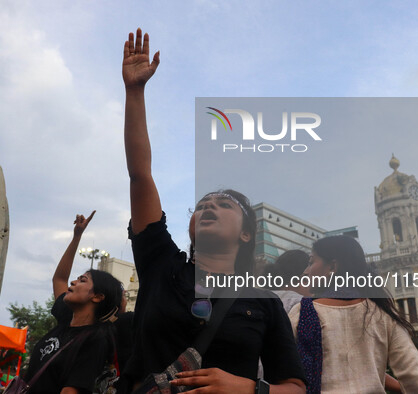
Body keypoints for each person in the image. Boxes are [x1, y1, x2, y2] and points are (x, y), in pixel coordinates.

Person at [121, 28, 307, 393]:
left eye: (224, 205)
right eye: (202, 204)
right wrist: (135, 92)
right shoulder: (162, 267)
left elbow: (296, 387)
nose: (209, 207)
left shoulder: (264, 303)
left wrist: (249, 388)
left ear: (246, 233)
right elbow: (140, 175)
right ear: (190, 227)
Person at [288, 235, 418, 393]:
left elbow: (282, 371)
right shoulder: (383, 313)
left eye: (311, 263)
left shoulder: (302, 312)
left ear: (332, 267)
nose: (306, 271)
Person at [23, 211, 123, 394]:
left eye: (83, 280)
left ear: (98, 297)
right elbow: (60, 278)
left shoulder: (96, 339)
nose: (73, 282)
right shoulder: (66, 317)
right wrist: (77, 236)